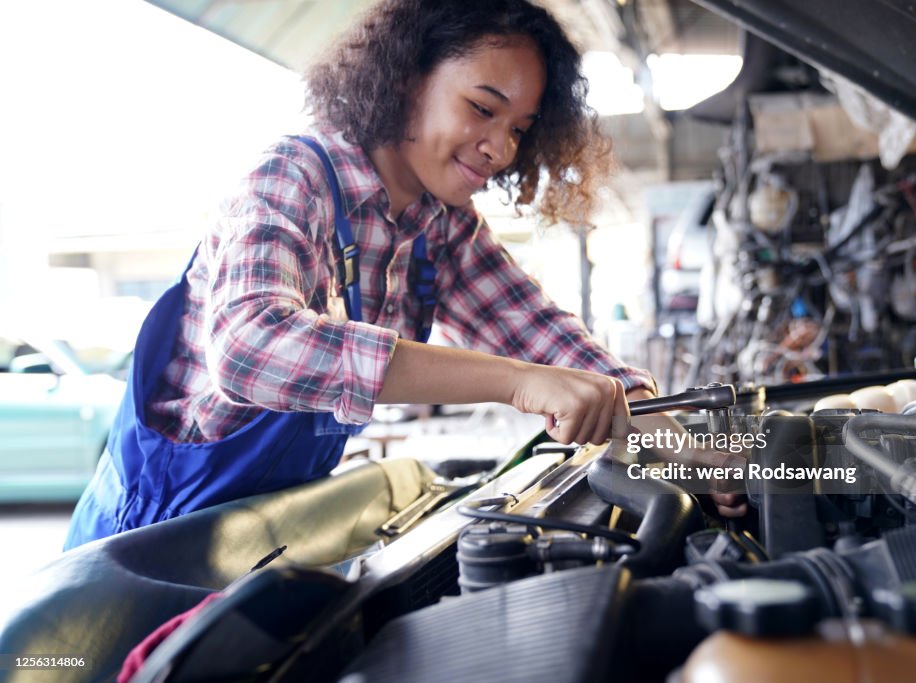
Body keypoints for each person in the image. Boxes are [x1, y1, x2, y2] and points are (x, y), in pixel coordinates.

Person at [64, 0, 669, 550]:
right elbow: (251, 347)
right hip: (147, 532)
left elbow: (535, 330)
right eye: (482, 109)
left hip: (261, 531)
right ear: (407, 79)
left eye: (518, 129)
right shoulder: (292, 178)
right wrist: (517, 382)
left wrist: (677, 440)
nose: (501, 150)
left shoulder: (441, 223)